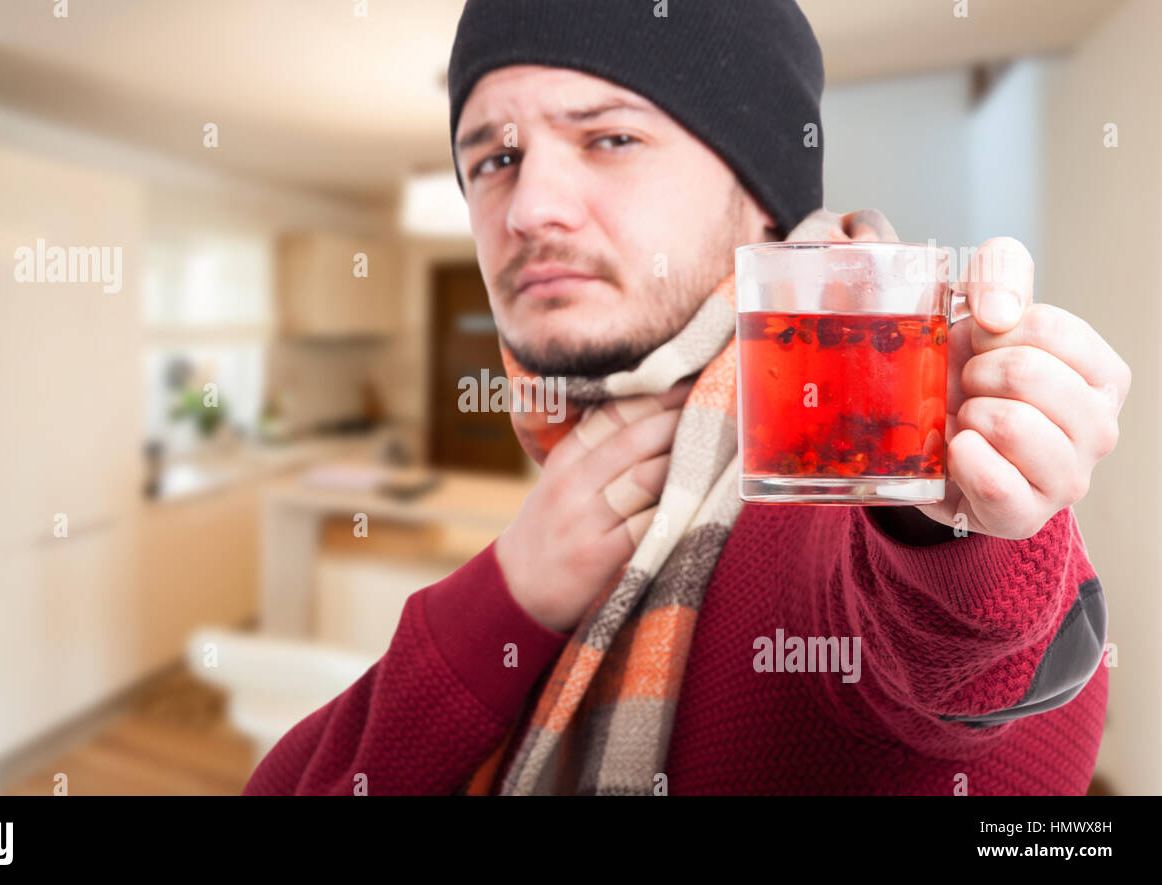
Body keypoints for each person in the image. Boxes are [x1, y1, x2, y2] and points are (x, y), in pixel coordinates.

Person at [243, 0, 1131, 795]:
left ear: (761, 196)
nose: (529, 207)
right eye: (496, 157)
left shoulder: (842, 435)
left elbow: (982, 707)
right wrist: (507, 594)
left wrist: (954, 525)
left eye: (610, 138)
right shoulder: (583, 474)